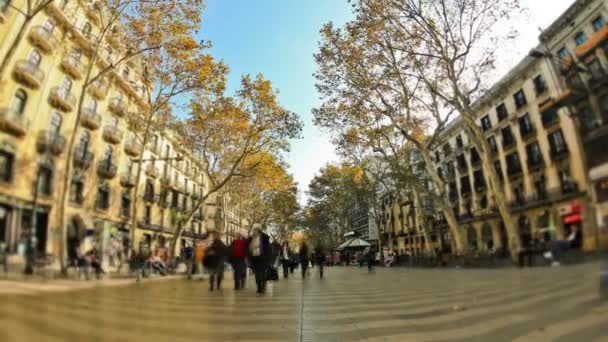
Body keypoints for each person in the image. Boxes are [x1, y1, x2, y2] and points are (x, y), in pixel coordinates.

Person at [248, 225, 272, 294]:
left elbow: (268, 249)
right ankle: (259, 287)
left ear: (258, 230)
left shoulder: (264, 238)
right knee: (257, 274)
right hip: (255, 258)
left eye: (255, 230)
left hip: (263, 258)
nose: (253, 231)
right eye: (253, 230)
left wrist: (267, 258)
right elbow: (248, 246)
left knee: (263, 273)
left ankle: (263, 285)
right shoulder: (252, 238)